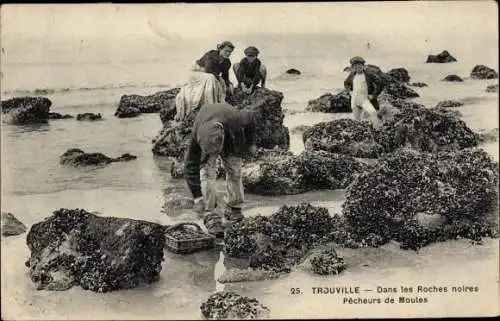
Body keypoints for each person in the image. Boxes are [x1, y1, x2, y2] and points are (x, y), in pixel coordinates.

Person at [183, 103, 257, 237]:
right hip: (210, 127)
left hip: (230, 132)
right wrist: (197, 197)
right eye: (212, 152)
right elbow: (189, 167)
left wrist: (251, 142)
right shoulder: (197, 136)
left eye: (217, 150)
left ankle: (234, 208)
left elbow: (250, 116)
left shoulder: (237, 119)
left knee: (235, 171)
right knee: (206, 172)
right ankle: (210, 214)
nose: (217, 154)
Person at [175, 41, 236, 121]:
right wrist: (219, 79)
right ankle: (209, 105)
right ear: (220, 49)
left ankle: (213, 106)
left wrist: (228, 84)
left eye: (230, 52)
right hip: (195, 72)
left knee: (215, 80)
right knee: (211, 78)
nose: (228, 53)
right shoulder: (212, 54)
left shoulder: (227, 62)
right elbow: (208, 69)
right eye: (226, 51)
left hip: (208, 75)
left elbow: (225, 75)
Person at [343, 56, 385, 127]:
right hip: (354, 99)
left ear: (363, 66)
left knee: (373, 113)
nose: (358, 68)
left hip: (364, 99)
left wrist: (373, 95)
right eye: (356, 66)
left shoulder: (368, 75)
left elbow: (381, 83)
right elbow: (346, 83)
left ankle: (377, 130)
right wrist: (349, 91)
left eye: (360, 66)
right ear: (353, 67)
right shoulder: (352, 75)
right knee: (357, 121)